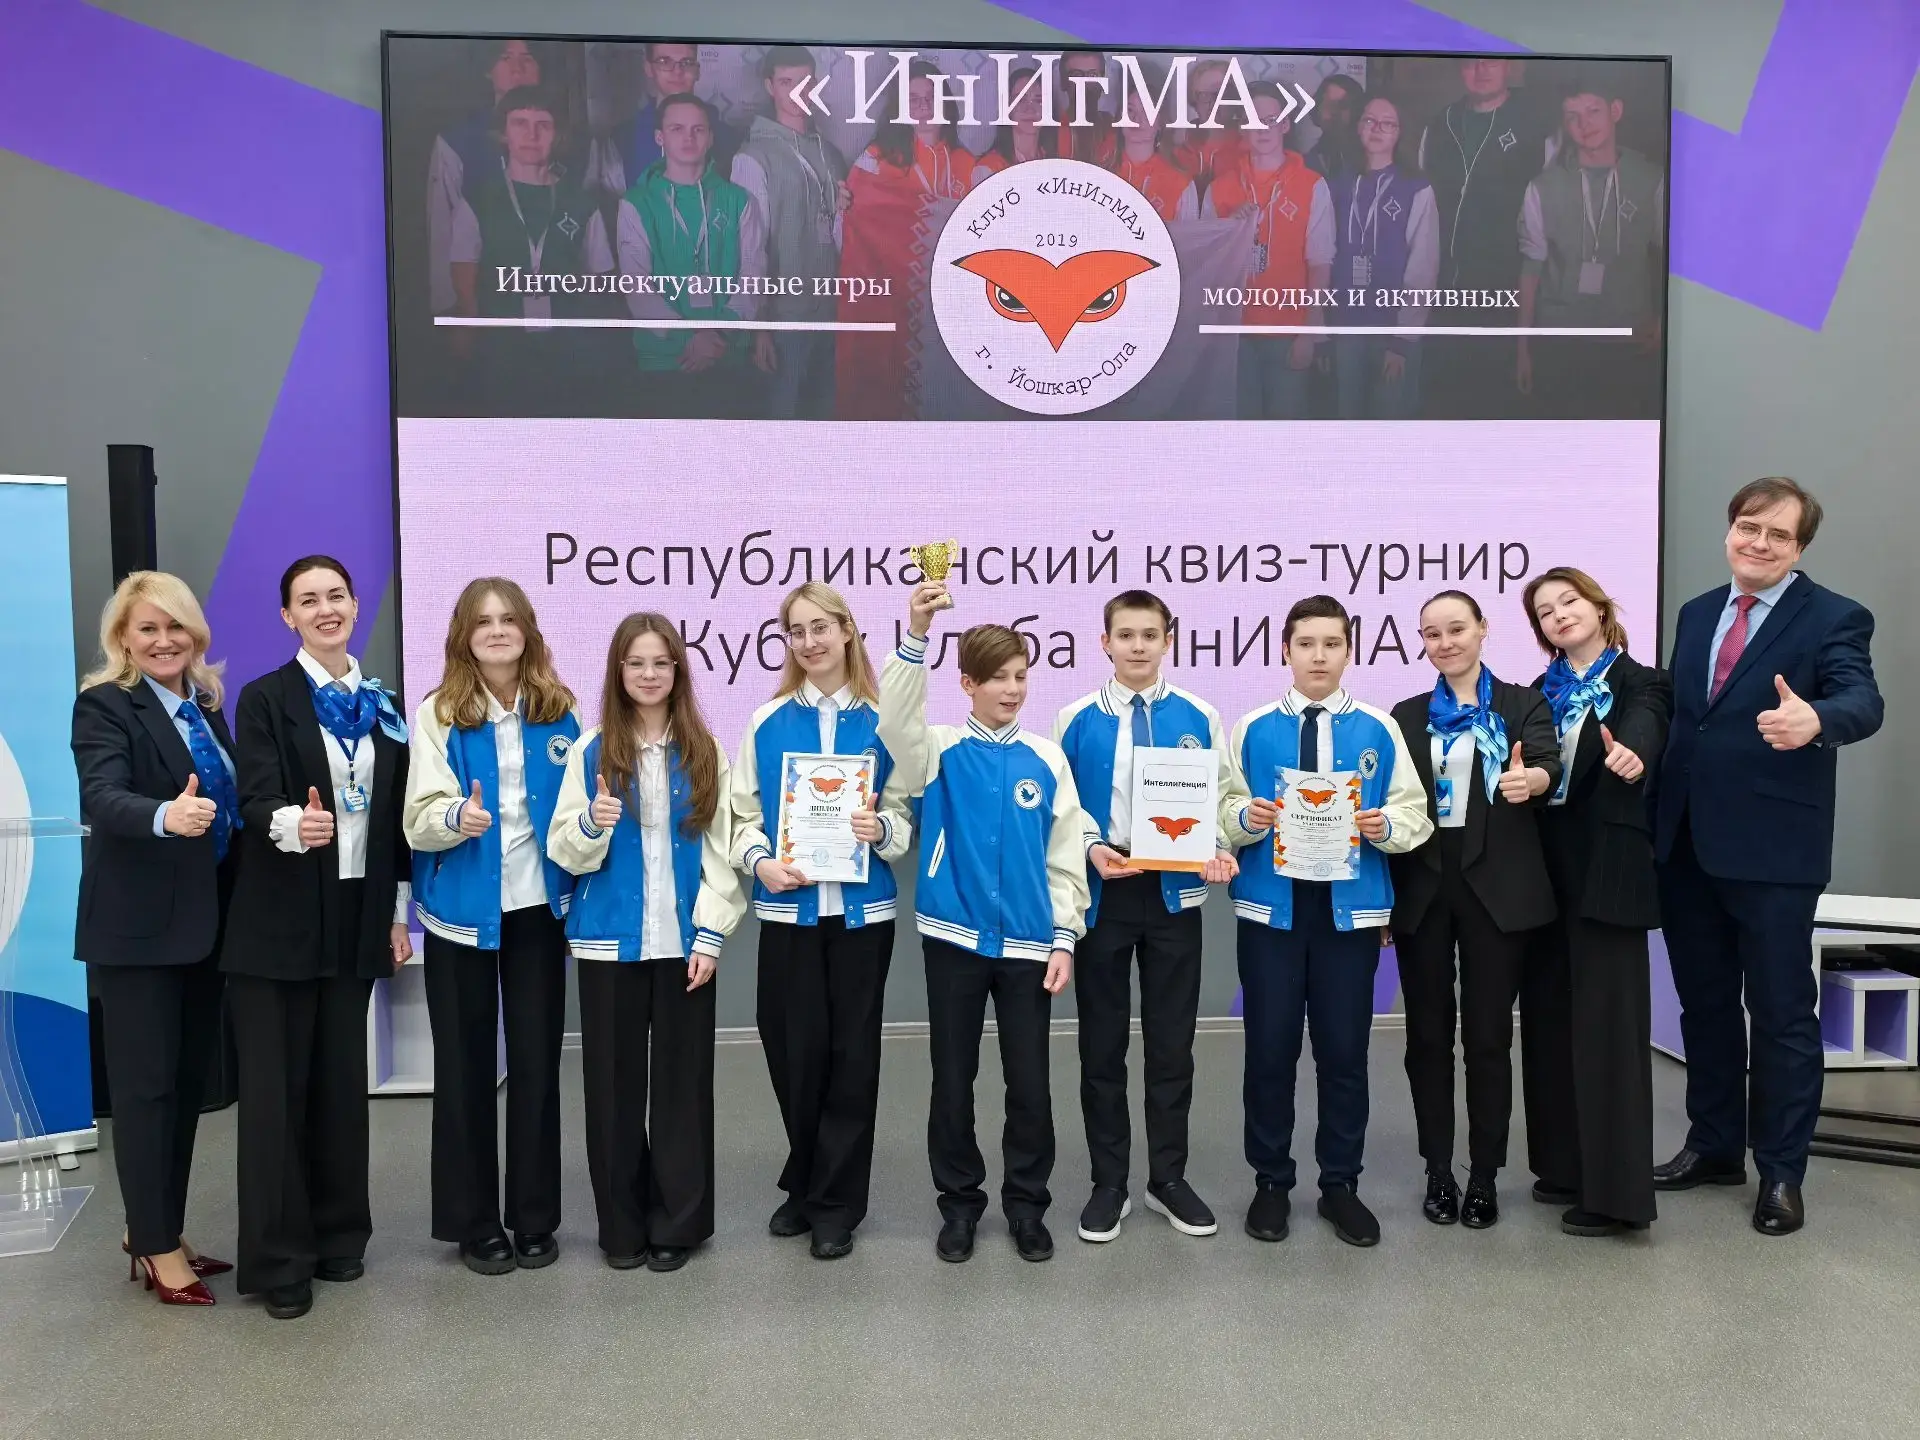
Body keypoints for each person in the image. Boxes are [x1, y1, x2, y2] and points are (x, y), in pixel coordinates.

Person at [1654, 478, 1883, 1237]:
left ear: (1799, 548)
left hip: (1775, 853)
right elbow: (1691, 722)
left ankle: (1782, 1171)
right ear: (1730, 530)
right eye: (1749, 527)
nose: (1759, 543)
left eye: (1778, 535)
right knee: (1706, 1005)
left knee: (1782, 1015)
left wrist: (1817, 719)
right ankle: (1715, 1145)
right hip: (1687, 845)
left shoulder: (1835, 616)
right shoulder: (1696, 613)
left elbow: (1863, 701)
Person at [877, 582, 1093, 1264]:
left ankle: (1027, 1207)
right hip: (954, 942)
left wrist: (1064, 938)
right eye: (997, 677)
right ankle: (960, 1206)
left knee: (1030, 1085)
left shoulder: (1046, 758)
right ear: (967, 683)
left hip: (1030, 946)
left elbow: (1064, 856)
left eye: (1020, 676)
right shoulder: (936, 751)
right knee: (953, 1079)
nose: (1012, 689)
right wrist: (916, 633)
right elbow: (894, 723)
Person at [222, 556, 412, 1321]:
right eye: (309, 600)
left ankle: (338, 1235)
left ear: (356, 605)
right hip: (279, 922)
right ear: (288, 617)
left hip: (358, 916)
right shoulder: (266, 697)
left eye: (336, 595)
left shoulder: (384, 706)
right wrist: (292, 824)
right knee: (276, 1096)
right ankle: (280, 1260)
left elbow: (394, 819)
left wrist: (396, 912)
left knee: (339, 1084)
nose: (326, 608)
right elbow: (254, 795)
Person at [1220, 595, 1430, 1248]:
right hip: (1272, 911)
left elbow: (1414, 813)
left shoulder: (1379, 728)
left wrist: (1384, 826)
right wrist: (1247, 818)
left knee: (1344, 1052)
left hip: (1350, 915)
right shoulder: (1251, 728)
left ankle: (1340, 1184)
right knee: (1270, 1050)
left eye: (1332, 644)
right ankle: (1271, 1183)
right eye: (1306, 644)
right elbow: (1221, 811)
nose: (1319, 656)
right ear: (1285, 650)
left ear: (1349, 651)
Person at [548, 613, 745, 1272]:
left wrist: (710, 935)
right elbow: (563, 850)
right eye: (636, 663)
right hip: (609, 946)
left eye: (661, 662)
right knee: (613, 1091)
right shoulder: (590, 750)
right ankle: (622, 1229)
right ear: (618, 672)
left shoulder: (705, 751)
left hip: (687, 947)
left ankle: (677, 1226)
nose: (649, 674)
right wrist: (591, 821)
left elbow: (722, 853)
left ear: (678, 671)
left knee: (684, 1089)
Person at [70, 572, 241, 1306]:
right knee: (146, 1093)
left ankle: (157, 1227)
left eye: (176, 627)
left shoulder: (205, 707)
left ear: (195, 634)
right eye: (148, 628)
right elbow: (102, 795)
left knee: (182, 1090)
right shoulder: (105, 705)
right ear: (123, 639)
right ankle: (155, 1245)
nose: (164, 641)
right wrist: (163, 817)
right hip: (138, 934)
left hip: (204, 929)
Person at [403, 578, 578, 1276]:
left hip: (538, 913)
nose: (498, 630)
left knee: (536, 1068)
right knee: (464, 1070)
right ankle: (475, 1223)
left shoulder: (561, 711)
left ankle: (534, 1218)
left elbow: (578, 811)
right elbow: (417, 819)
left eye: (509, 619)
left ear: (528, 630)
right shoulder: (439, 713)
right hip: (460, 916)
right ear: (463, 636)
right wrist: (456, 818)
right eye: (483, 621)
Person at [1052, 591, 1236, 1244]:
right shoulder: (1074, 718)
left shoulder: (1199, 715)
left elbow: (1221, 798)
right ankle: (1109, 1183)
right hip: (1106, 891)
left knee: (1171, 1044)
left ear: (1168, 641)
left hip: (1173, 894)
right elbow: (1062, 808)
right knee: (1101, 1045)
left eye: (1149, 635)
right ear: (1104, 642)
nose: (1137, 646)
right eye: (1125, 635)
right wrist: (1090, 847)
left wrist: (1218, 846)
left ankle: (1168, 1179)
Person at [730, 583, 904, 1260]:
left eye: (821, 627)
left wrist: (881, 828)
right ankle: (806, 1178)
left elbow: (905, 816)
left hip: (862, 916)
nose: (809, 642)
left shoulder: (885, 721)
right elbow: (741, 816)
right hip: (791, 910)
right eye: (796, 631)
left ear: (848, 631)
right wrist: (761, 861)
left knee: (852, 1059)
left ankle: (835, 1204)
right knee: (794, 1054)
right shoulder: (767, 721)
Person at [1387, 591, 1559, 1230]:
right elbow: (1390, 805)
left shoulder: (1521, 704)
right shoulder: (1405, 716)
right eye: (1432, 634)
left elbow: (1546, 763)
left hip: (1498, 890)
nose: (1446, 642)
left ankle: (1484, 1174)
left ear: (1483, 630)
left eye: (1457, 629)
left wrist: (1532, 780)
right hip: (1423, 887)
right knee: (1427, 1038)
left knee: (1488, 1039)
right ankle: (1438, 1170)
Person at [1519, 566, 1672, 1237]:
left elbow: (1646, 726)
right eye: (1545, 611)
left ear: (1600, 607)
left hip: (1606, 870)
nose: (1559, 615)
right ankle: (1563, 1167)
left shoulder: (1641, 682)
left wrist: (1633, 753)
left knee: (1608, 1031)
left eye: (1569, 601)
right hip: (1541, 872)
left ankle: (1616, 1196)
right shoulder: (1534, 695)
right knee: (1549, 1019)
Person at [447, 86, 614, 415]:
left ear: (558, 135)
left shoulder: (582, 202)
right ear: (503, 133)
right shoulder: (479, 200)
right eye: (520, 123)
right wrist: (467, 332)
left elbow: (600, 276)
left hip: (568, 349)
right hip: (501, 346)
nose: (531, 135)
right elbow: (464, 275)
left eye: (543, 125)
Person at [606, 94, 774, 417]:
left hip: (727, 354)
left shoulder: (739, 200)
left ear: (710, 138)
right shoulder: (636, 202)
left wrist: (719, 333)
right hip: (664, 358)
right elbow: (637, 285)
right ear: (660, 137)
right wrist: (689, 337)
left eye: (698, 129)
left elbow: (754, 274)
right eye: (677, 129)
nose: (689, 138)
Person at [1415, 57, 1557, 419]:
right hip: (1444, 292)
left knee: (1496, 404)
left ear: (1508, 66)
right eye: (1471, 63)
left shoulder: (1535, 125)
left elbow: (1552, 211)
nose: (1481, 70)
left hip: (1506, 292)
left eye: (1490, 62)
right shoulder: (1441, 123)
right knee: (1443, 403)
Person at [1517, 74, 1665, 418]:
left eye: (1593, 111)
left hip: (1629, 341)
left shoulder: (1651, 180)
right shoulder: (1543, 187)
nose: (1584, 124)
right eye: (1573, 116)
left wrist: (1662, 321)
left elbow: (1671, 259)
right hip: (1561, 341)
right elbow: (1531, 268)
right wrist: (1522, 348)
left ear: (1616, 111)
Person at [834, 62, 974, 421]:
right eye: (913, 98)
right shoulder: (875, 159)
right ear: (900, 106)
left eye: (931, 97)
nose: (924, 106)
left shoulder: (968, 164)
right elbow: (851, 234)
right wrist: (841, 209)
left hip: (951, 307)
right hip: (895, 303)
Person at [731, 46, 852, 420]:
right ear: (770, 87)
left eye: (805, 82)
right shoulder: (753, 155)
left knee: (827, 420)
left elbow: (842, 240)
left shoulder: (832, 154)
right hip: (784, 319)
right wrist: (758, 328)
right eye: (787, 82)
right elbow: (749, 250)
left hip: (833, 314)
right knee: (782, 422)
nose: (798, 92)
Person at [1201, 84, 1334, 419]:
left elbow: (1320, 264)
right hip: (1235, 335)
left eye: (1271, 120)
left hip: (1288, 333)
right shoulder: (1220, 187)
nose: (1262, 129)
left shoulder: (1312, 185)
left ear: (1285, 125)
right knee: (1242, 431)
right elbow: (1206, 264)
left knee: (1284, 434)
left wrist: (1310, 334)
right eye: (1253, 120)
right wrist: (1228, 228)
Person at [1328, 94, 1438, 419]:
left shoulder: (1416, 188)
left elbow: (1424, 266)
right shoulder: (1337, 183)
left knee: (1389, 427)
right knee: (1346, 421)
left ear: (1400, 131)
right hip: (1345, 327)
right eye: (1369, 120)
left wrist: (1403, 339)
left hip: (1392, 330)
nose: (1377, 129)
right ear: (1357, 126)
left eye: (1388, 123)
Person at [427, 38, 544, 317]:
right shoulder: (457, 142)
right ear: (488, 69)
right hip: (481, 302)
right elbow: (441, 230)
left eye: (527, 58)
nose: (517, 68)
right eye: (506, 58)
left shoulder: (570, 142)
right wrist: (450, 311)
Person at [592, 40, 739, 199]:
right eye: (664, 61)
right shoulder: (622, 138)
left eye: (686, 62)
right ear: (649, 68)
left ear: (697, 71)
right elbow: (613, 204)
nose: (677, 71)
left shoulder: (728, 138)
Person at [1108, 78, 1200, 224]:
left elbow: (1189, 236)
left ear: (1160, 122)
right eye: (1130, 110)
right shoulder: (1101, 173)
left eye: (1147, 112)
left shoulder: (1180, 182)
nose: (1136, 119)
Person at [971, 63, 1063, 187]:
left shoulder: (1056, 165)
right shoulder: (988, 169)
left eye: (1038, 100)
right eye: (1020, 100)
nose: (1030, 109)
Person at [1172, 57, 1242, 200]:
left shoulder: (1253, 147)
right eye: (1204, 95)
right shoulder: (1177, 145)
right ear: (1194, 101)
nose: (1212, 103)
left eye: (1220, 94)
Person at [1058, 50, 1118, 166]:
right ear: (1063, 82)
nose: (1085, 83)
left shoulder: (1111, 125)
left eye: (1093, 75)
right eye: (1076, 75)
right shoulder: (1053, 131)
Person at [1304, 74, 1364, 182]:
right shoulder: (1304, 163)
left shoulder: (1369, 161)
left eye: (1343, 105)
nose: (1334, 111)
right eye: (1328, 104)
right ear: (1317, 109)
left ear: (1356, 111)